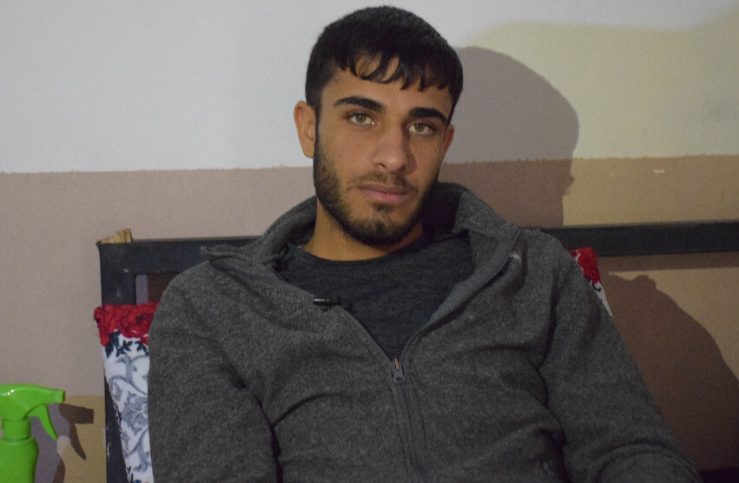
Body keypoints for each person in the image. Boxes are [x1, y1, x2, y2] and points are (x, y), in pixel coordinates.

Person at [149, 6, 700, 482]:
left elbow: (630, 449)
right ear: (308, 128)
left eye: (422, 127)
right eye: (361, 117)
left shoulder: (534, 274)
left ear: (445, 141)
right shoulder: (216, 308)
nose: (394, 156)